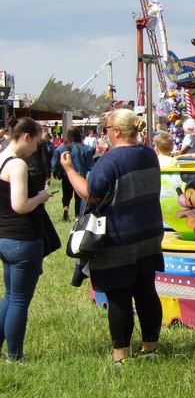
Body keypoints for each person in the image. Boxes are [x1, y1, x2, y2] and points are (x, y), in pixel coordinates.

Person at [61, 109, 164, 365]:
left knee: (119, 295)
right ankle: (150, 348)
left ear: (116, 132)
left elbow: (91, 195)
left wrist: (69, 170)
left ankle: (121, 356)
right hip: (149, 231)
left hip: (119, 235)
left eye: (107, 128)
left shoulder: (109, 161)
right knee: (145, 290)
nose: (105, 132)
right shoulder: (150, 154)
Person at [0, 118, 56, 362]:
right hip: (23, 238)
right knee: (19, 301)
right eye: (36, 141)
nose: (36, 148)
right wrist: (41, 197)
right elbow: (20, 205)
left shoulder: (1, 158)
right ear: (26, 136)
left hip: (5, 237)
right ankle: (15, 356)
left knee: (10, 296)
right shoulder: (18, 165)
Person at [52, 127, 95, 222]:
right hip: (80, 176)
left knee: (66, 195)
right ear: (79, 135)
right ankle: (77, 214)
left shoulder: (61, 147)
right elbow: (90, 165)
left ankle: (66, 208)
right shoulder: (84, 148)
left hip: (66, 176)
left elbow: (55, 162)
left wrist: (55, 172)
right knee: (79, 197)